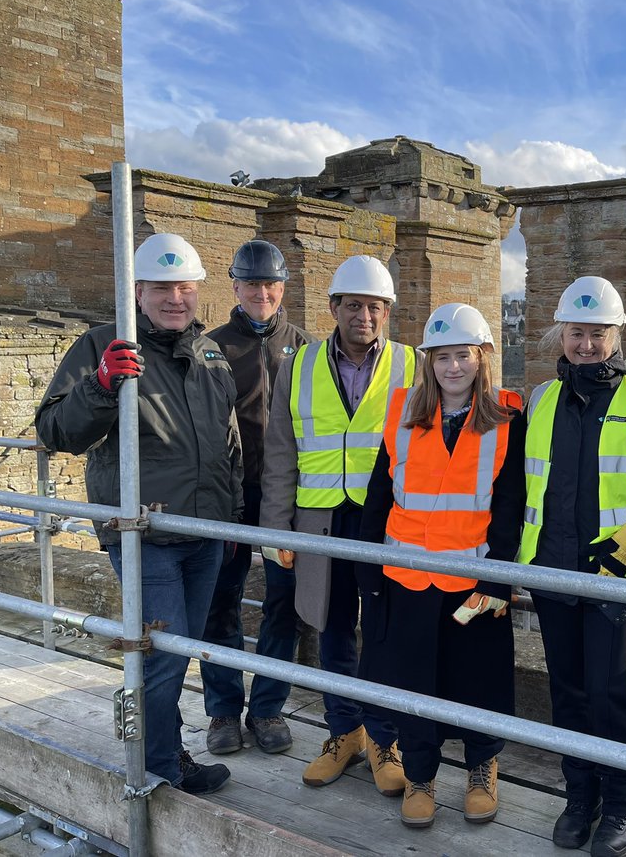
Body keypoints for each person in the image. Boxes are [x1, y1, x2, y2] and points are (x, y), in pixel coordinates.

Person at [35, 232, 241, 795]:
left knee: (177, 653)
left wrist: (230, 518)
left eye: (185, 286)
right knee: (163, 655)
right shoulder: (103, 343)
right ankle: (157, 773)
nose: (176, 298)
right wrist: (101, 386)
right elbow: (55, 431)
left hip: (202, 533)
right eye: (162, 287)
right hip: (142, 531)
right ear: (138, 290)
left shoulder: (207, 351)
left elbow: (227, 444)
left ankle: (164, 753)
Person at [520, 276, 626, 857]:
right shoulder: (540, 400)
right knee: (567, 693)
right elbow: (522, 485)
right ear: (562, 334)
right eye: (577, 333)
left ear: (617, 335)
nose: (587, 344)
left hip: (615, 575)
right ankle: (579, 796)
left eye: (598, 334)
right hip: (554, 572)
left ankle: (620, 805)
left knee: (610, 694)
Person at [358, 303, 524, 829]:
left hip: (474, 577)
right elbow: (379, 494)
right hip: (407, 576)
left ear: (483, 359)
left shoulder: (506, 416)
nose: (453, 367)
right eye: (443, 357)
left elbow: (510, 505)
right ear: (428, 362)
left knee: (479, 679)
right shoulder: (403, 412)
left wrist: (498, 580)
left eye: (464, 356)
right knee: (415, 683)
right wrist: (370, 570)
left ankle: (481, 768)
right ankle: (421, 775)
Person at [258, 254, 418, 795]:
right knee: (329, 630)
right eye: (354, 305)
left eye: (375, 306)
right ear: (334, 308)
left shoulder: (411, 365)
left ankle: (385, 739)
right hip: (319, 520)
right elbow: (279, 451)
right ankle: (343, 732)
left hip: (385, 521)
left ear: (388, 311)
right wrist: (276, 530)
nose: (365, 316)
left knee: (382, 632)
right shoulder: (298, 365)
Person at [200, 240, 314, 757]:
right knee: (219, 601)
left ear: (283, 286)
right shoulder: (210, 347)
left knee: (282, 604)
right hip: (230, 492)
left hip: (285, 497)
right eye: (252, 284)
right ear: (235, 286)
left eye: (270, 284)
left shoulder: (310, 348)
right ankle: (223, 710)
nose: (262, 292)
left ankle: (267, 707)